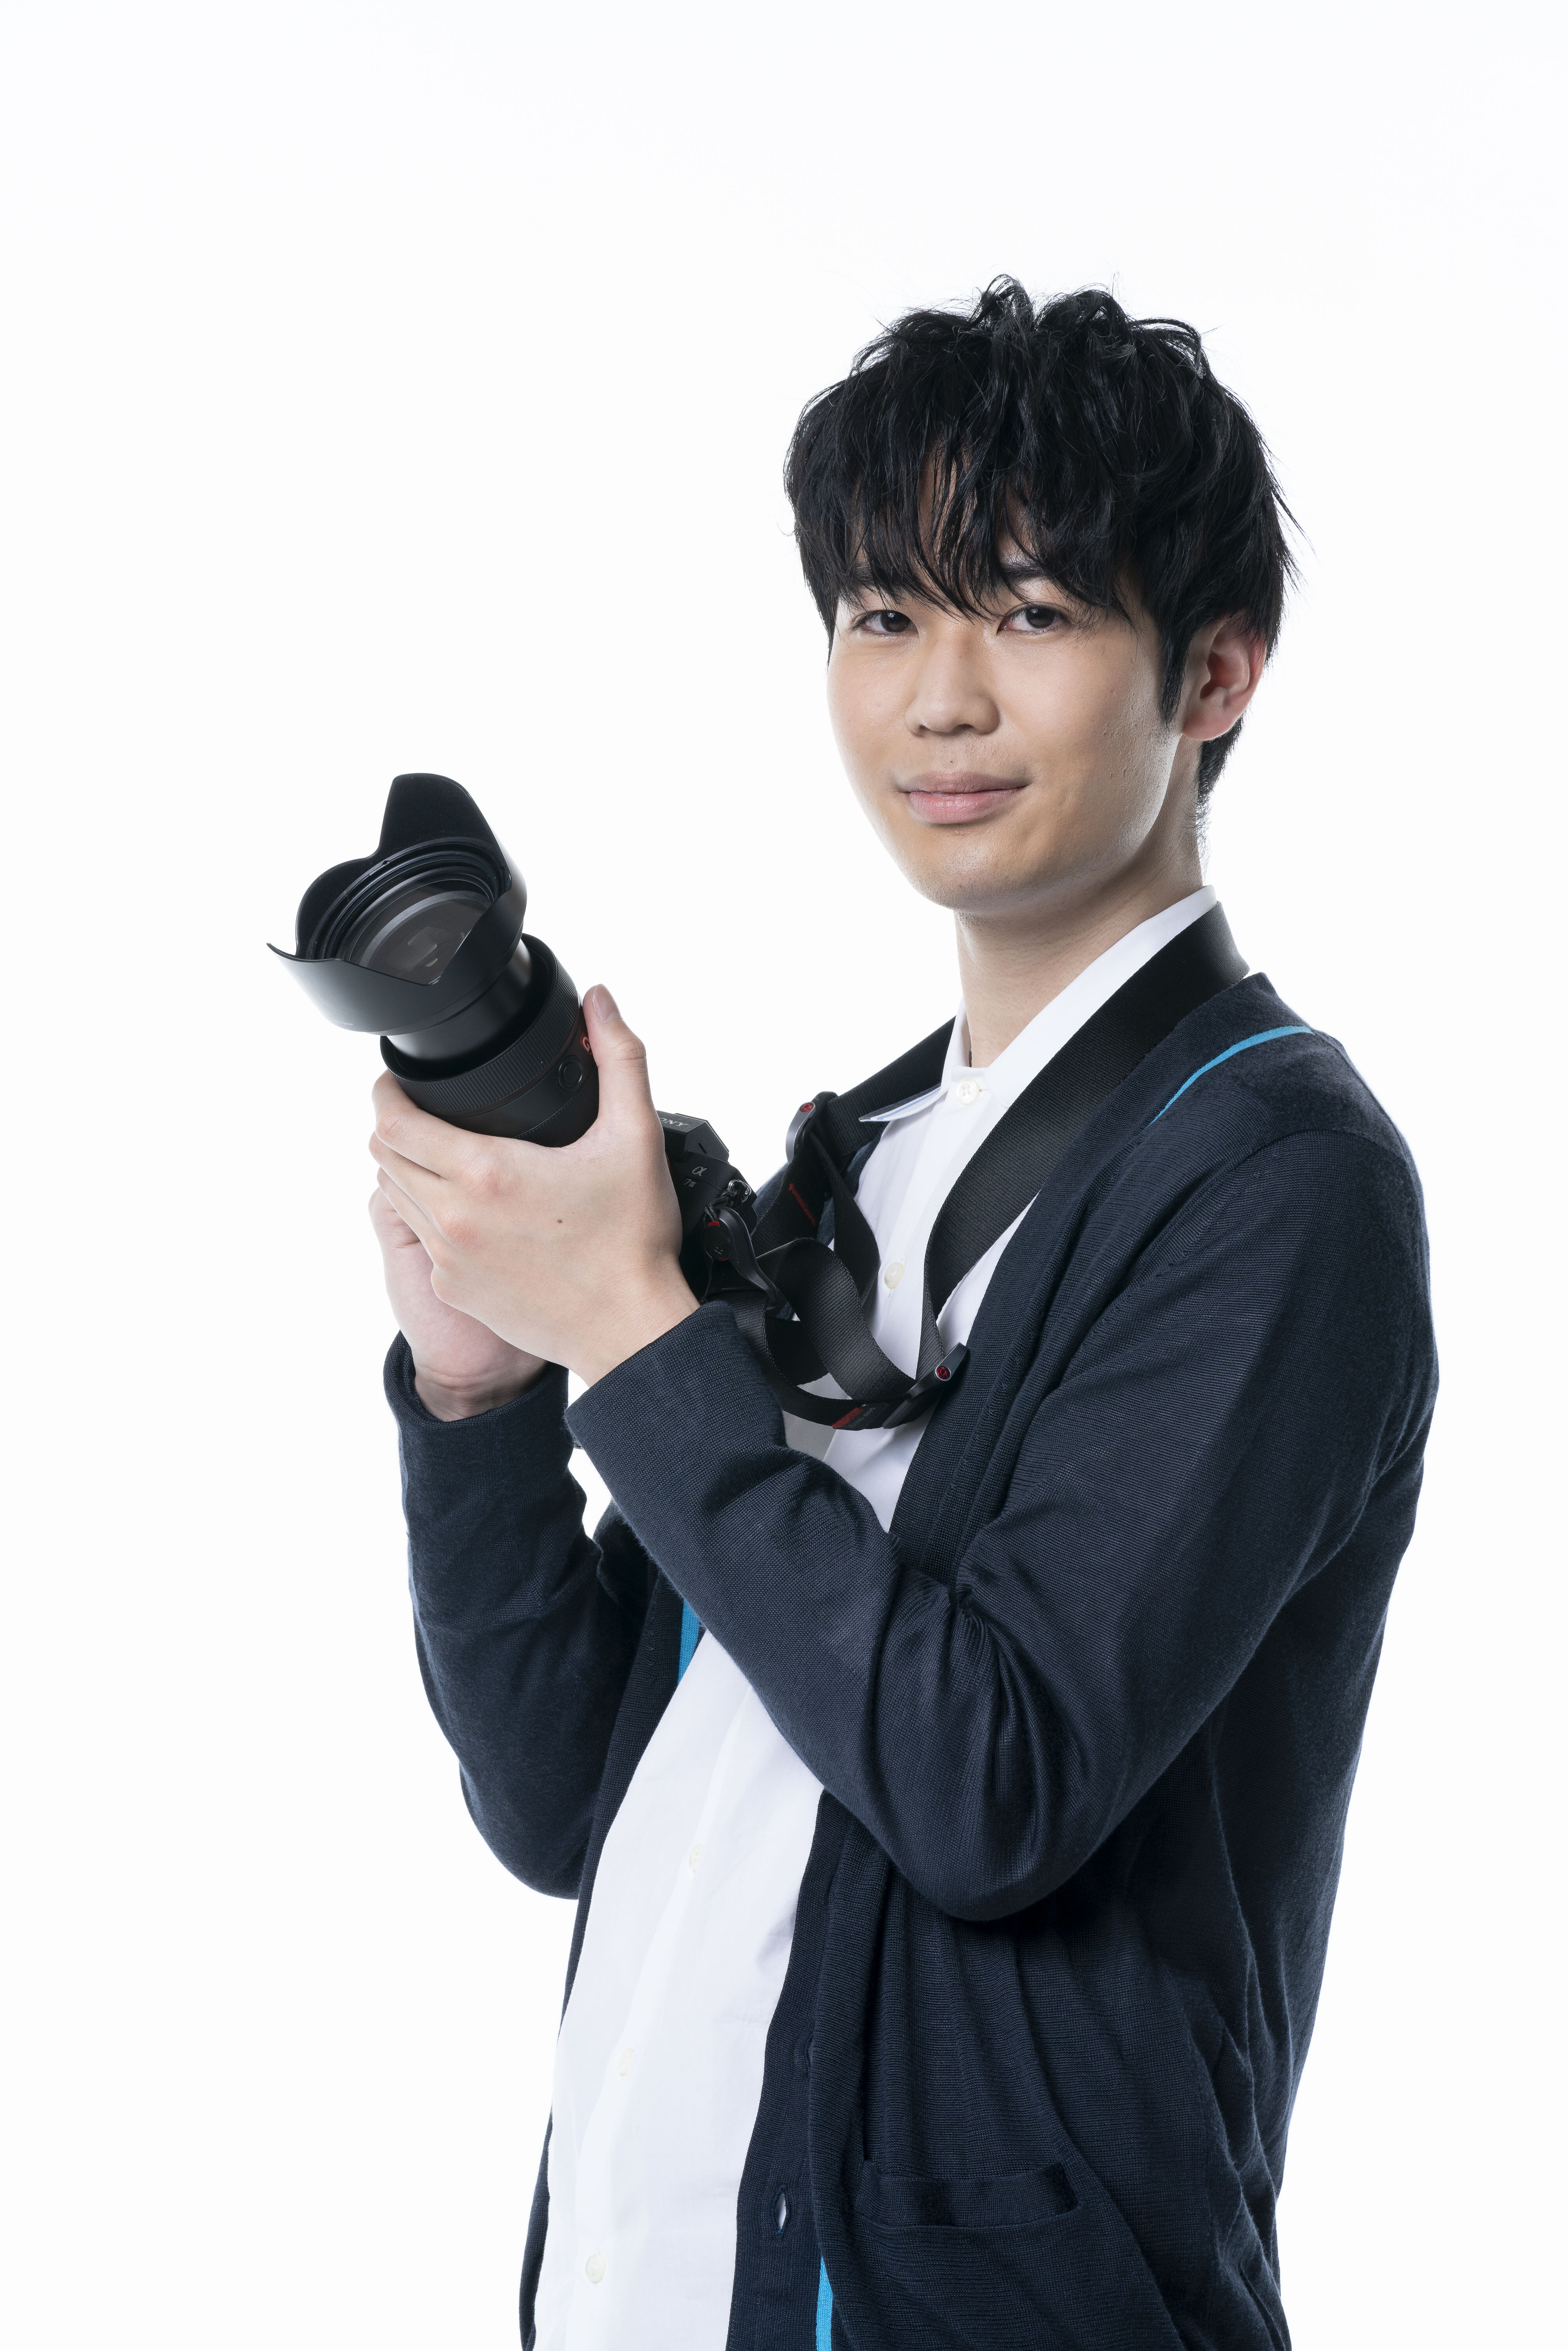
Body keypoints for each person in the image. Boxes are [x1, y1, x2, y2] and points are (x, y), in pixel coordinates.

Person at [366, 281, 1436, 2351]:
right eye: (882, 616)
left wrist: (638, 1335)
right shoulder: (851, 1164)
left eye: (1028, 614)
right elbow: (565, 1797)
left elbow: (988, 1788)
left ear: (1215, 669)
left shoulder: (1278, 1180)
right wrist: (482, 1385)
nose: (940, 701)